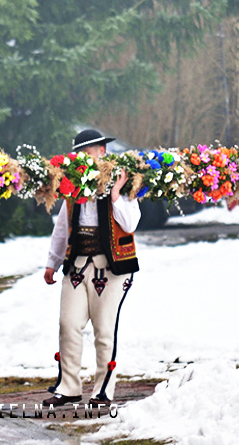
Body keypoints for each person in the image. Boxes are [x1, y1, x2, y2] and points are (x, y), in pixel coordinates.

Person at [43, 128, 141, 407]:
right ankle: (68, 387)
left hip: (112, 267)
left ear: (102, 152)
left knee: (104, 328)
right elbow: (63, 226)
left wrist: (116, 195)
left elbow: (131, 223)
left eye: (90, 151)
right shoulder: (72, 186)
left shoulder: (122, 181)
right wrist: (52, 262)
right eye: (81, 153)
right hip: (77, 263)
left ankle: (102, 391)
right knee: (68, 324)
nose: (86, 157)